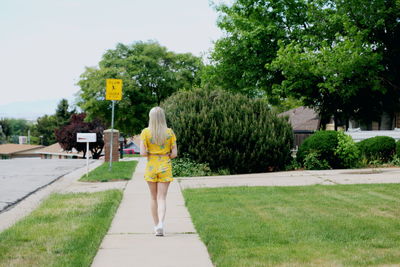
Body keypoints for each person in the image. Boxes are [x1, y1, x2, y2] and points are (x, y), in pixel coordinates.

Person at [140, 107, 178, 236]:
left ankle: (156, 226)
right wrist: (165, 153)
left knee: (153, 197)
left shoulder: (145, 132)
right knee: (162, 198)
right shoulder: (169, 132)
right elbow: (174, 154)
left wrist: (152, 152)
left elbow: (143, 153)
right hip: (165, 166)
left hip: (151, 166)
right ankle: (161, 223)